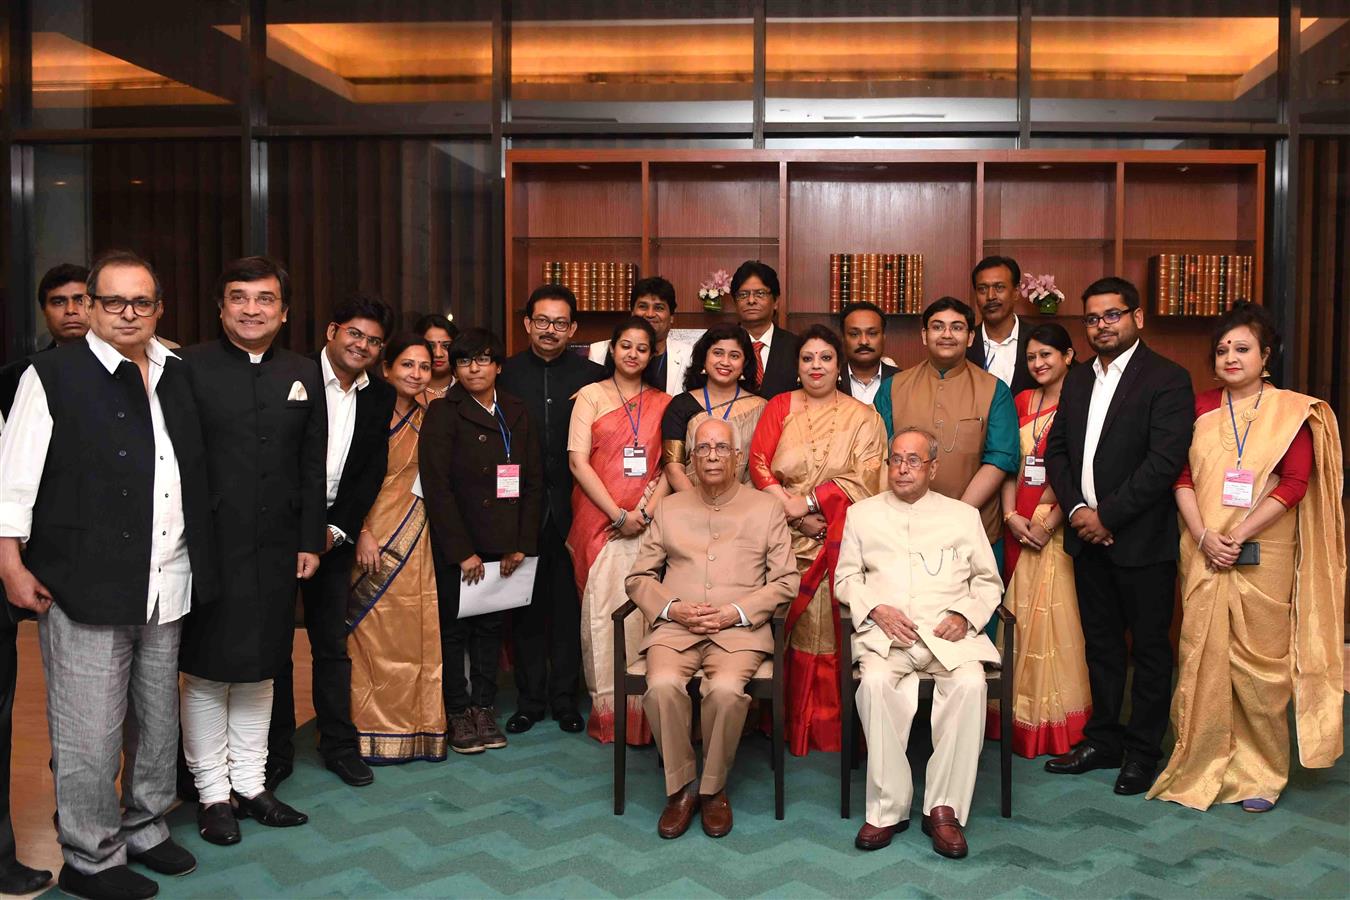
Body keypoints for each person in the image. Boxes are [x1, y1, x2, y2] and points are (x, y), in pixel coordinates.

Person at [0, 250, 213, 899]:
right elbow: (13, 481)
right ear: (89, 307)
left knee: (155, 721)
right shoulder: (51, 375)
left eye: (141, 302)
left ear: (159, 309)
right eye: (113, 301)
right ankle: (90, 857)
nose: (128, 313)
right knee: (88, 730)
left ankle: (145, 824)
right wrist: (9, 561)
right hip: (81, 582)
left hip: (165, 577)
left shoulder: (178, 372)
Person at [1149, 303, 1345, 813]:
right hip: (1203, 547)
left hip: (1264, 552)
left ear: (1266, 356)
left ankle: (1261, 773)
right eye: (1222, 350)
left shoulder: (1292, 412)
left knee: (1261, 668)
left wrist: (1237, 535)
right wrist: (1204, 534)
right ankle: (1201, 760)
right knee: (1201, 656)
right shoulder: (1198, 407)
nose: (1230, 357)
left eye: (1242, 349)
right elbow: (1181, 476)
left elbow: (1296, 483)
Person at [178, 256, 323, 844]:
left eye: (265, 299)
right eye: (239, 297)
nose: (251, 308)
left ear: (283, 312)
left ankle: (253, 785)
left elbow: (312, 465)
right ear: (221, 307)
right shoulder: (186, 366)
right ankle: (212, 795)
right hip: (206, 545)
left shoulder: (303, 369)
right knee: (211, 672)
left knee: (263, 670)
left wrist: (311, 537)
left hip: (277, 546)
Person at [1043, 276, 1194, 796]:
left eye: (1112, 315)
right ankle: (1103, 740)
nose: (1102, 326)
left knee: (1150, 650)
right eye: (1092, 318)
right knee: (1101, 647)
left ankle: (1143, 751)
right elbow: (1057, 449)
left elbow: (1164, 460)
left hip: (1142, 541)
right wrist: (1080, 509)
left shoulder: (1168, 378)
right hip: (1087, 537)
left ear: (1137, 318)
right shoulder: (1080, 377)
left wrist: (1108, 515)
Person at [627, 418, 799, 839]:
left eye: (722, 448)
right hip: (676, 628)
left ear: (738, 458)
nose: (712, 456)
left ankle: (714, 787)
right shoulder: (669, 509)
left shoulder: (766, 508)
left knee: (723, 691)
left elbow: (786, 580)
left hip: (738, 630)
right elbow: (638, 578)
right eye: (703, 449)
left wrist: (736, 612)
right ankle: (682, 787)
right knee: (663, 684)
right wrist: (673, 608)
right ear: (690, 460)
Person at [837, 428, 1003, 860]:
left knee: (970, 686)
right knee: (873, 684)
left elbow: (988, 582)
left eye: (913, 460)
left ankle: (942, 808)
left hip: (950, 638)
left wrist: (963, 615)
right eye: (896, 459)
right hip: (888, 638)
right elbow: (845, 580)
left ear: (933, 467)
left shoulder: (962, 516)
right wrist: (875, 608)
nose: (903, 468)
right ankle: (888, 808)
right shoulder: (863, 515)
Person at [269, 293, 396, 790]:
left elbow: (369, 472)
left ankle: (338, 746)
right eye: (354, 334)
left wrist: (336, 530)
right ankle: (275, 753)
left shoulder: (379, 395)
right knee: (275, 647)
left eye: (373, 341)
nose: (362, 345)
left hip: (334, 534)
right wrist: (301, 529)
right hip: (280, 530)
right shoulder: (291, 377)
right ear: (332, 331)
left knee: (332, 645)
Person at [748, 324, 888, 755]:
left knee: (833, 630)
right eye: (807, 358)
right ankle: (787, 722)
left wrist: (810, 501)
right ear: (797, 366)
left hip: (840, 542)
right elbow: (758, 462)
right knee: (784, 628)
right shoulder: (779, 406)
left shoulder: (864, 417)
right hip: (783, 537)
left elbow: (868, 477)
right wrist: (789, 507)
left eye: (825, 358)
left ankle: (830, 725)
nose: (816, 366)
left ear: (839, 364)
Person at [421, 328, 543, 755]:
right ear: (454, 368)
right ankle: (458, 712)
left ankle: (484, 707)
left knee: (491, 629)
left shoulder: (516, 409)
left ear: (498, 366)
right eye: (465, 361)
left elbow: (532, 482)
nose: (474, 368)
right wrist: (462, 551)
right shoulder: (443, 412)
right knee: (454, 631)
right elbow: (437, 489)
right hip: (461, 544)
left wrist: (520, 544)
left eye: (483, 359)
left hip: (504, 543)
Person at [498, 285, 604, 735]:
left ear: (573, 329)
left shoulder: (593, 378)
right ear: (527, 323)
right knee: (524, 609)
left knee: (566, 609)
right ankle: (529, 701)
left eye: (560, 323)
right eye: (542, 321)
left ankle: (565, 700)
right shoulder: (503, 374)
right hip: (518, 510)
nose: (549, 330)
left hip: (572, 510)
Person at [568, 316, 672, 744]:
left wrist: (643, 513)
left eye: (642, 348)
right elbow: (578, 461)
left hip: (648, 525)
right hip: (598, 521)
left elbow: (669, 465)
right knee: (602, 616)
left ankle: (649, 718)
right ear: (612, 350)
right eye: (625, 345)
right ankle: (609, 716)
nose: (633, 354)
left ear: (652, 355)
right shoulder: (590, 396)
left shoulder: (665, 403)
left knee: (645, 617)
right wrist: (617, 514)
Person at [347, 334, 446, 763]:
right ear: (386, 368)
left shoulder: (431, 415)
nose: (416, 374)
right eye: (407, 365)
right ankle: (368, 730)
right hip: (374, 535)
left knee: (419, 630)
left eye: (424, 367)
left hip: (419, 533)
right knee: (372, 635)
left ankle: (420, 728)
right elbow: (347, 478)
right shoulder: (366, 413)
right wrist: (362, 529)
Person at [995, 323, 1091, 758]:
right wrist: (1012, 515)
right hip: (1019, 523)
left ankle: (1055, 725)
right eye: (1031, 357)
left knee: (1056, 624)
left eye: (1047, 355)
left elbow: (1082, 469)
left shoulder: (1083, 402)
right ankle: (1015, 719)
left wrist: (1049, 522)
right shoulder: (1020, 401)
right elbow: (1010, 464)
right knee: (1018, 620)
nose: (1039, 364)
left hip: (1058, 523)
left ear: (1069, 356)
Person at [874, 297, 1020, 580]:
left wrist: (957, 517)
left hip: (974, 528)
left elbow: (1000, 458)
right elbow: (880, 456)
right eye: (938, 327)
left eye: (957, 327)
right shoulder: (893, 388)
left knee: (972, 617)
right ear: (924, 335)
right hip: (903, 529)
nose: (947, 334)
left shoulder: (994, 390)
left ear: (970, 337)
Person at [660, 324, 766, 492]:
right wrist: (699, 507)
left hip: (744, 508)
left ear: (744, 363)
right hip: (689, 505)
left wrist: (737, 505)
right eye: (718, 353)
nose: (725, 362)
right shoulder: (680, 405)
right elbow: (673, 468)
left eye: (734, 355)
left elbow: (762, 468)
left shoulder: (761, 408)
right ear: (704, 358)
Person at [0, 263, 90, 418]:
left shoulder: (125, 367)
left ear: (95, 306)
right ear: (44, 311)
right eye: (58, 302)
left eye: (80, 300)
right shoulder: (14, 377)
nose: (70, 310)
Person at [588, 276, 693, 395]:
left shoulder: (688, 355)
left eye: (659, 308)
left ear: (672, 317)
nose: (650, 314)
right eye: (643, 306)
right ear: (632, 313)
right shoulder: (598, 352)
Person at [966, 256, 1035, 396]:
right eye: (982, 289)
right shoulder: (964, 344)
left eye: (999, 287)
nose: (990, 296)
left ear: (1016, 292)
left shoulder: (1038, 339)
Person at [732, 260, 801, 400]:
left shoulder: (797, 347)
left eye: (760, 293)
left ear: (776, 302)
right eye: (743, 294)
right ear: (735, 302)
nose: (751, 300)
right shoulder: (721, 347)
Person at [837, 300, 898, 403]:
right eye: (854, 334)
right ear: (843, 339)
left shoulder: (902, 381)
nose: (864, 342)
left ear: (883, 338)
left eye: (872, 333)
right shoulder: (829, 380)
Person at [413, 313, 458, 404]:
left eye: (446, 346)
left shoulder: (466, 389)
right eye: (430, 346)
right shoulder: (407, 390)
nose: (438, 354)